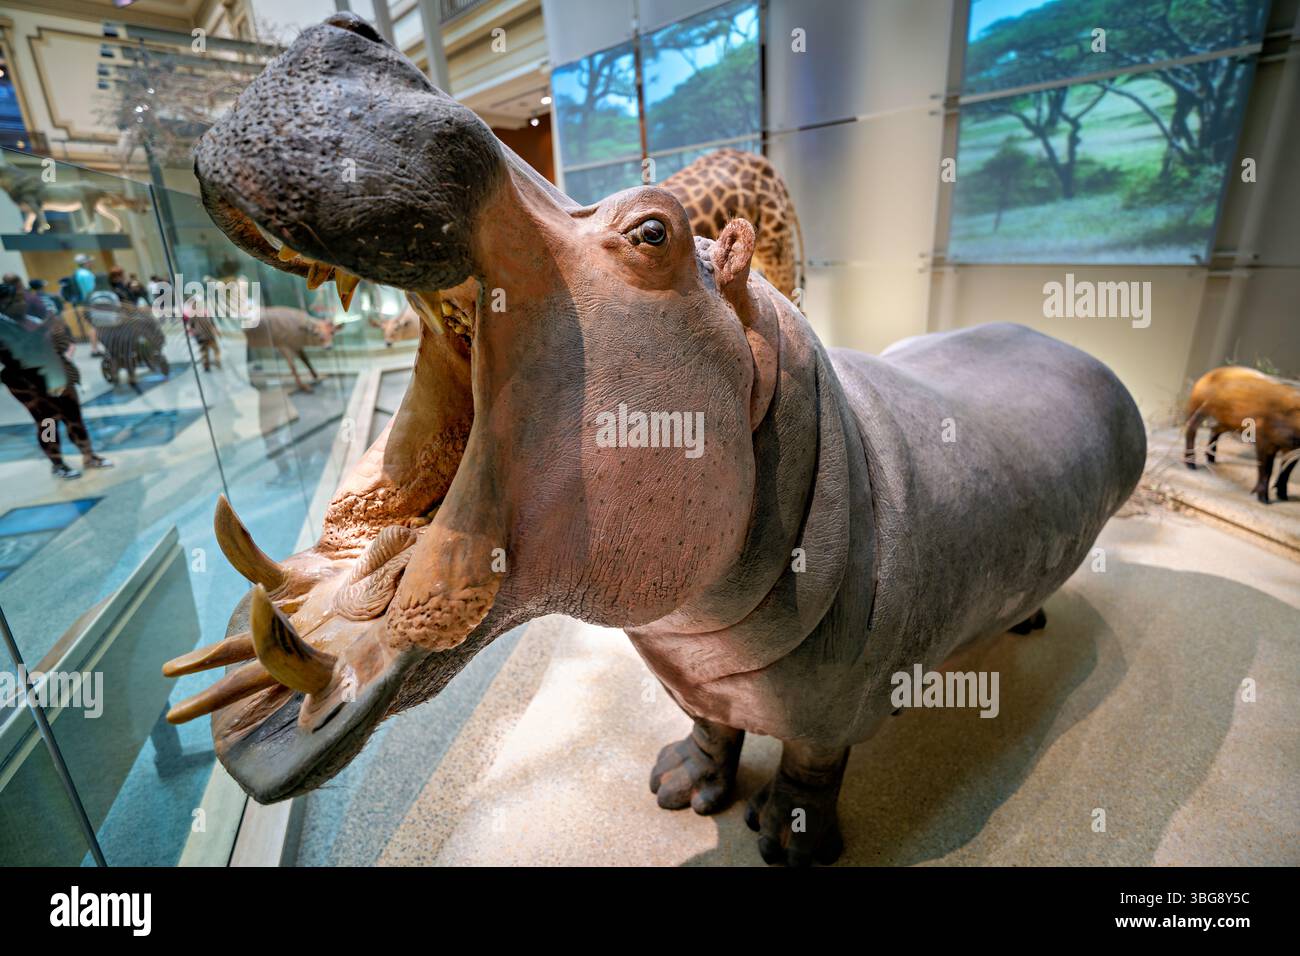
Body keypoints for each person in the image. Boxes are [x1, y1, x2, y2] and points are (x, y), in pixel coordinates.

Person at [0, 281, 112, 479]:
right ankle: (57, 463)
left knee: (74, 416)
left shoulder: (31, 319)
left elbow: (58, 340)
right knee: (47, 423)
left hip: (56, 374)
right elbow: (19, 352)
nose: (22, 303)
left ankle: (89, 455)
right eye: (15, 301)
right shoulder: (4, 329)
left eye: (20, 299)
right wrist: (45, 329)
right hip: (28, 383)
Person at [72, 254, 101, 356]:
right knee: (95, 326)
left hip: (85, 302)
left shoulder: (77, 273)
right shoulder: (86, 274)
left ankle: (95, 349)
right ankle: (94, 350)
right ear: (85, 263)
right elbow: (91, 290)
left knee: (93, 326)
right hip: (92, 302)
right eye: (90, 261)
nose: (91, 263)